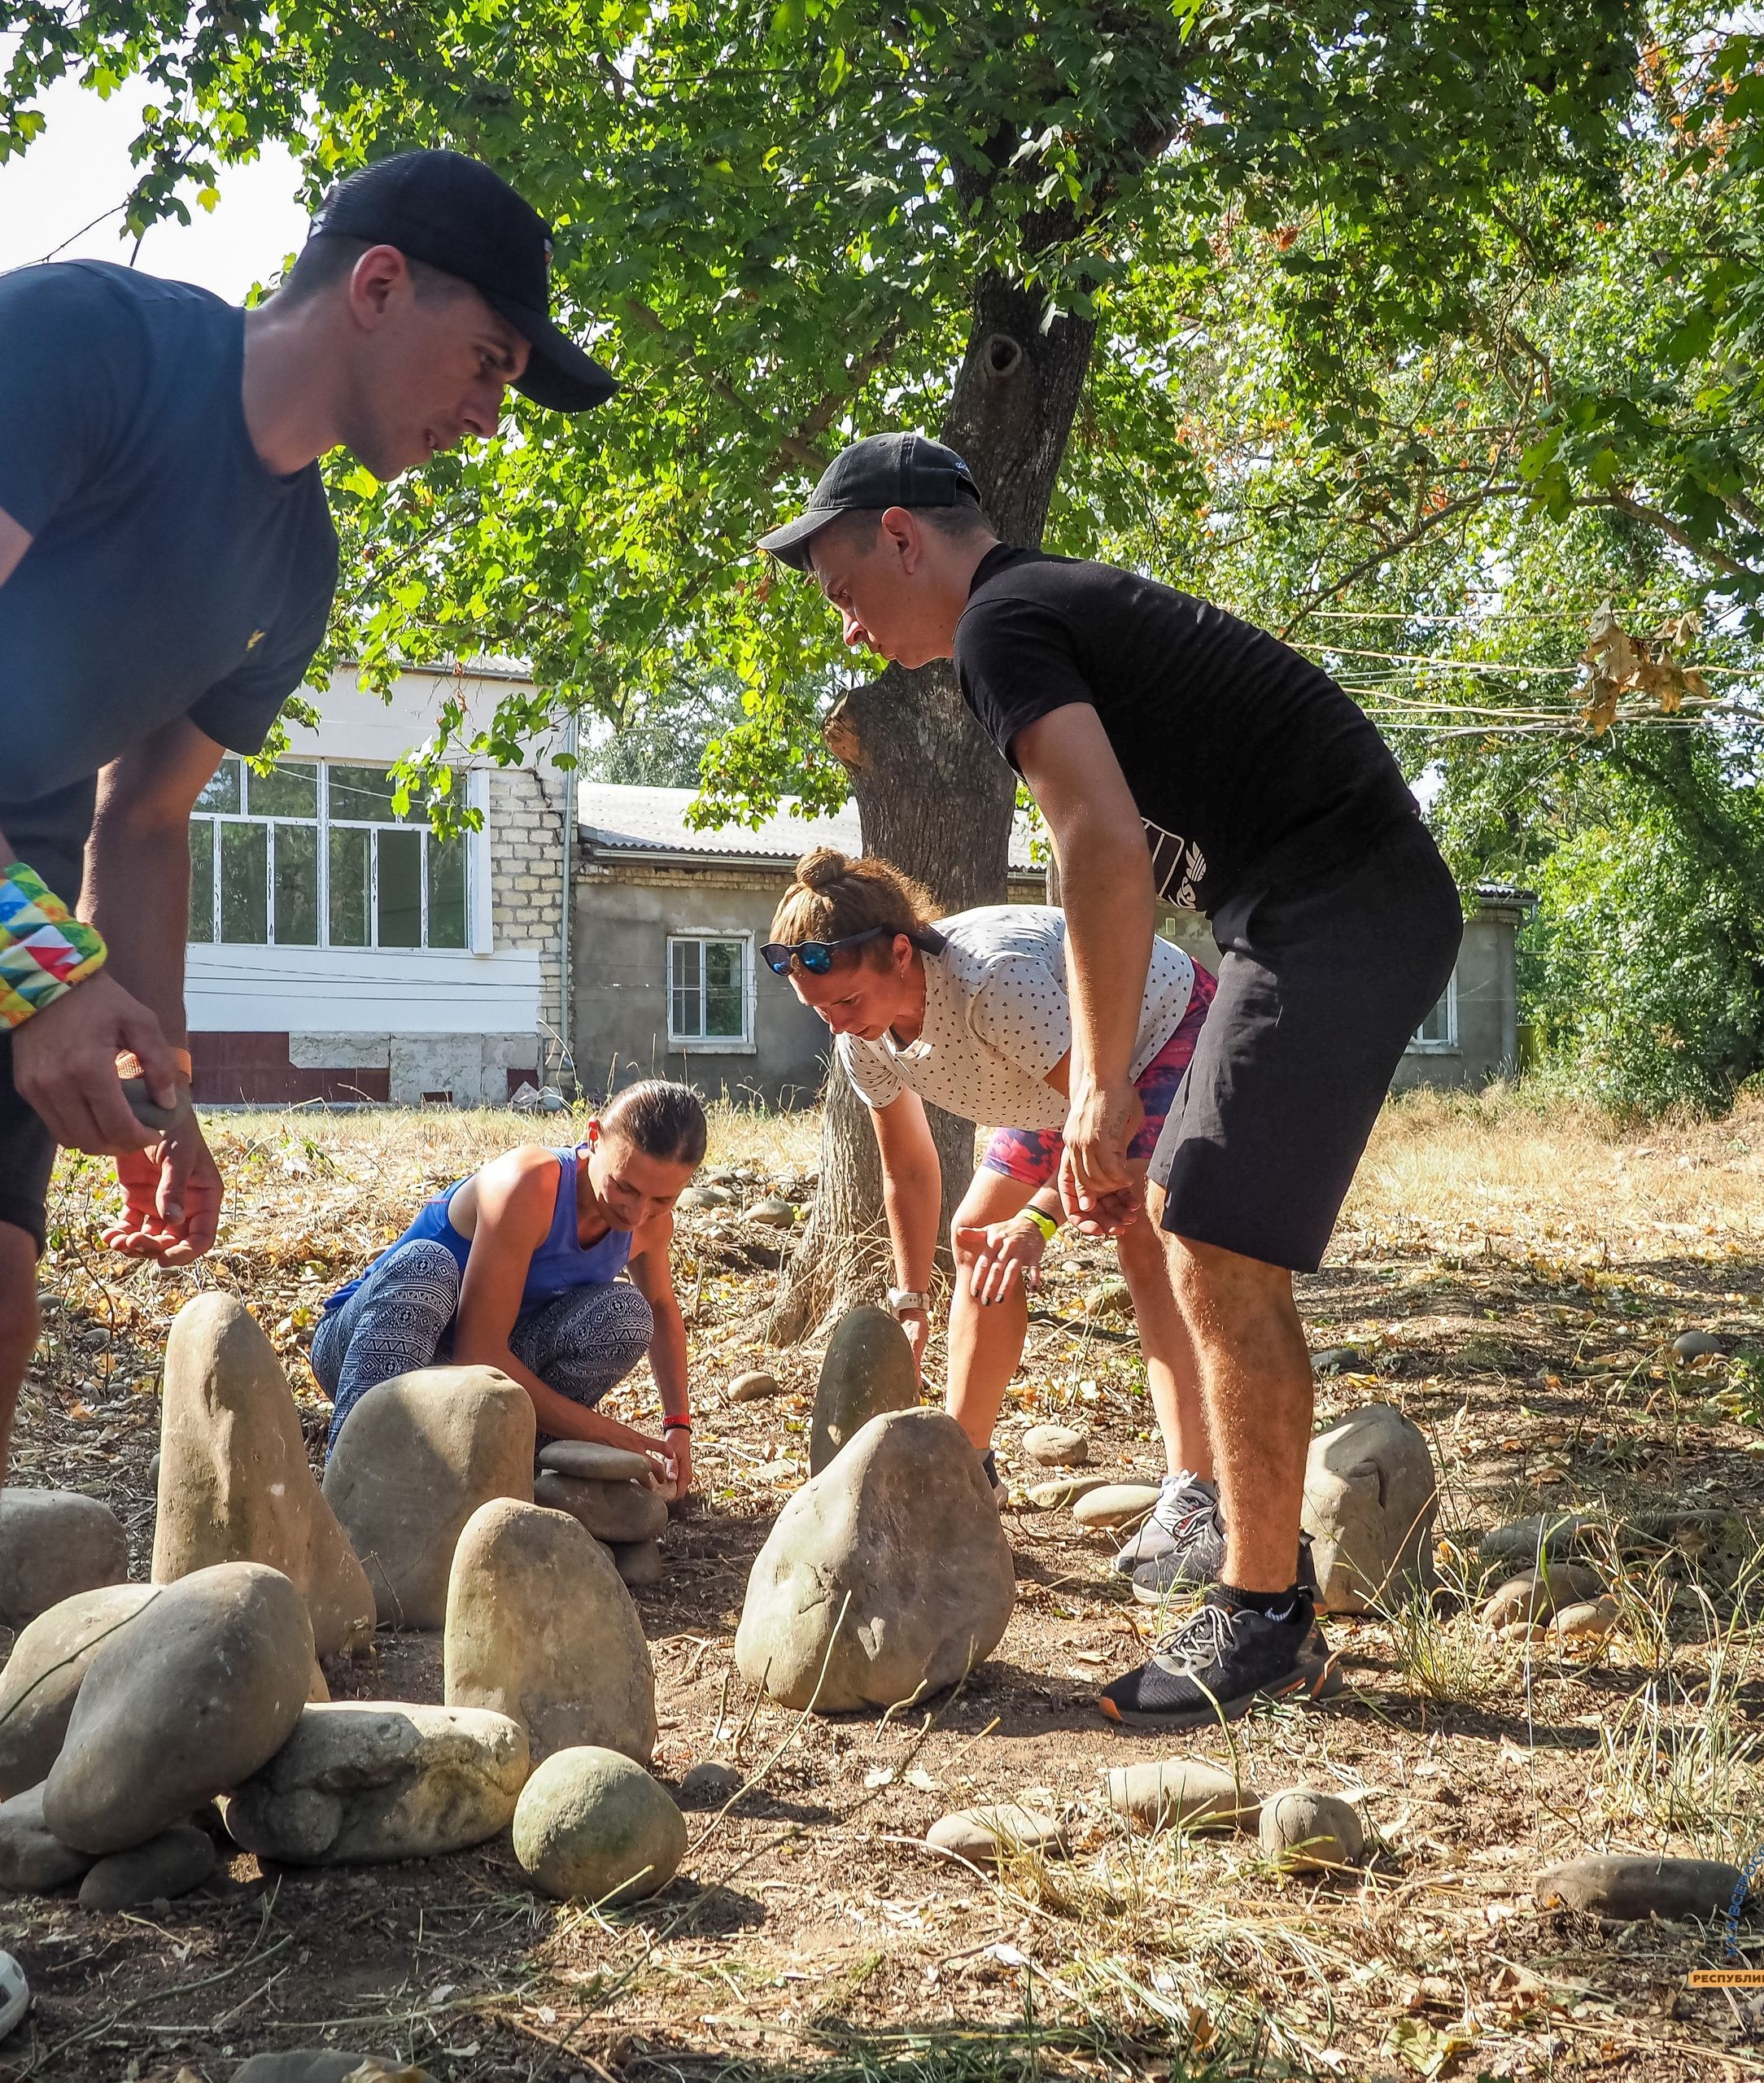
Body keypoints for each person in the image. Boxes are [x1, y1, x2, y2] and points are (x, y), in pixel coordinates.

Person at [0, 148, 615, 2062]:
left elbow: (148, 812)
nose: (487, 406)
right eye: (489, 355)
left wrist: (158, 1064)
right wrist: (35, 966)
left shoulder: (295, 560)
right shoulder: (81, 343)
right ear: (376, 285)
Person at [757, 431, 1461, 1730]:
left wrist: (1096, 1089)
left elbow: (1099, 843)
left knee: (1204, 1231)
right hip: (1310, 905)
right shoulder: (1033, 617)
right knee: (1205, 1230)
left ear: (902, 535)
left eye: (847, 589)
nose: (849, 628)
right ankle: (1263, 1600)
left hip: (1339, 900)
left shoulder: (1004, 623)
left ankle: (1260, 1618)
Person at [766, 849, 1220, 1556]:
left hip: (1164, 1036)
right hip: (1053, 1083)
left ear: (898, 952)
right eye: (817, 1008)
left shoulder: (990, 984)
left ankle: (1196, 1495)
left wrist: (1039, 1218)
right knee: (977, 1234)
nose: (834, 1024)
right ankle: (965, 1470)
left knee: (1141, 1232)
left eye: (846, 1001)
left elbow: (1115, 1118)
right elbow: (909, 1171)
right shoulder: (861, 1039)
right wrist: (910, 1302)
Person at [313, 1080, 705, 1496]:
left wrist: (678, 1425)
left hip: (475, 1370)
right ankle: (350, 1489)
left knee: (626, 1316)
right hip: (367, 1346)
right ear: (594, 1137)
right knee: (429, 1268)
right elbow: (476, 1352)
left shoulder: (651, 1226)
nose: (637, 1211)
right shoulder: (529, 1186)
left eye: (663, 1199)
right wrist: (608, 1434)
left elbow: (661, 1308)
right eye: (625, 1185)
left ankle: (512, 1470)